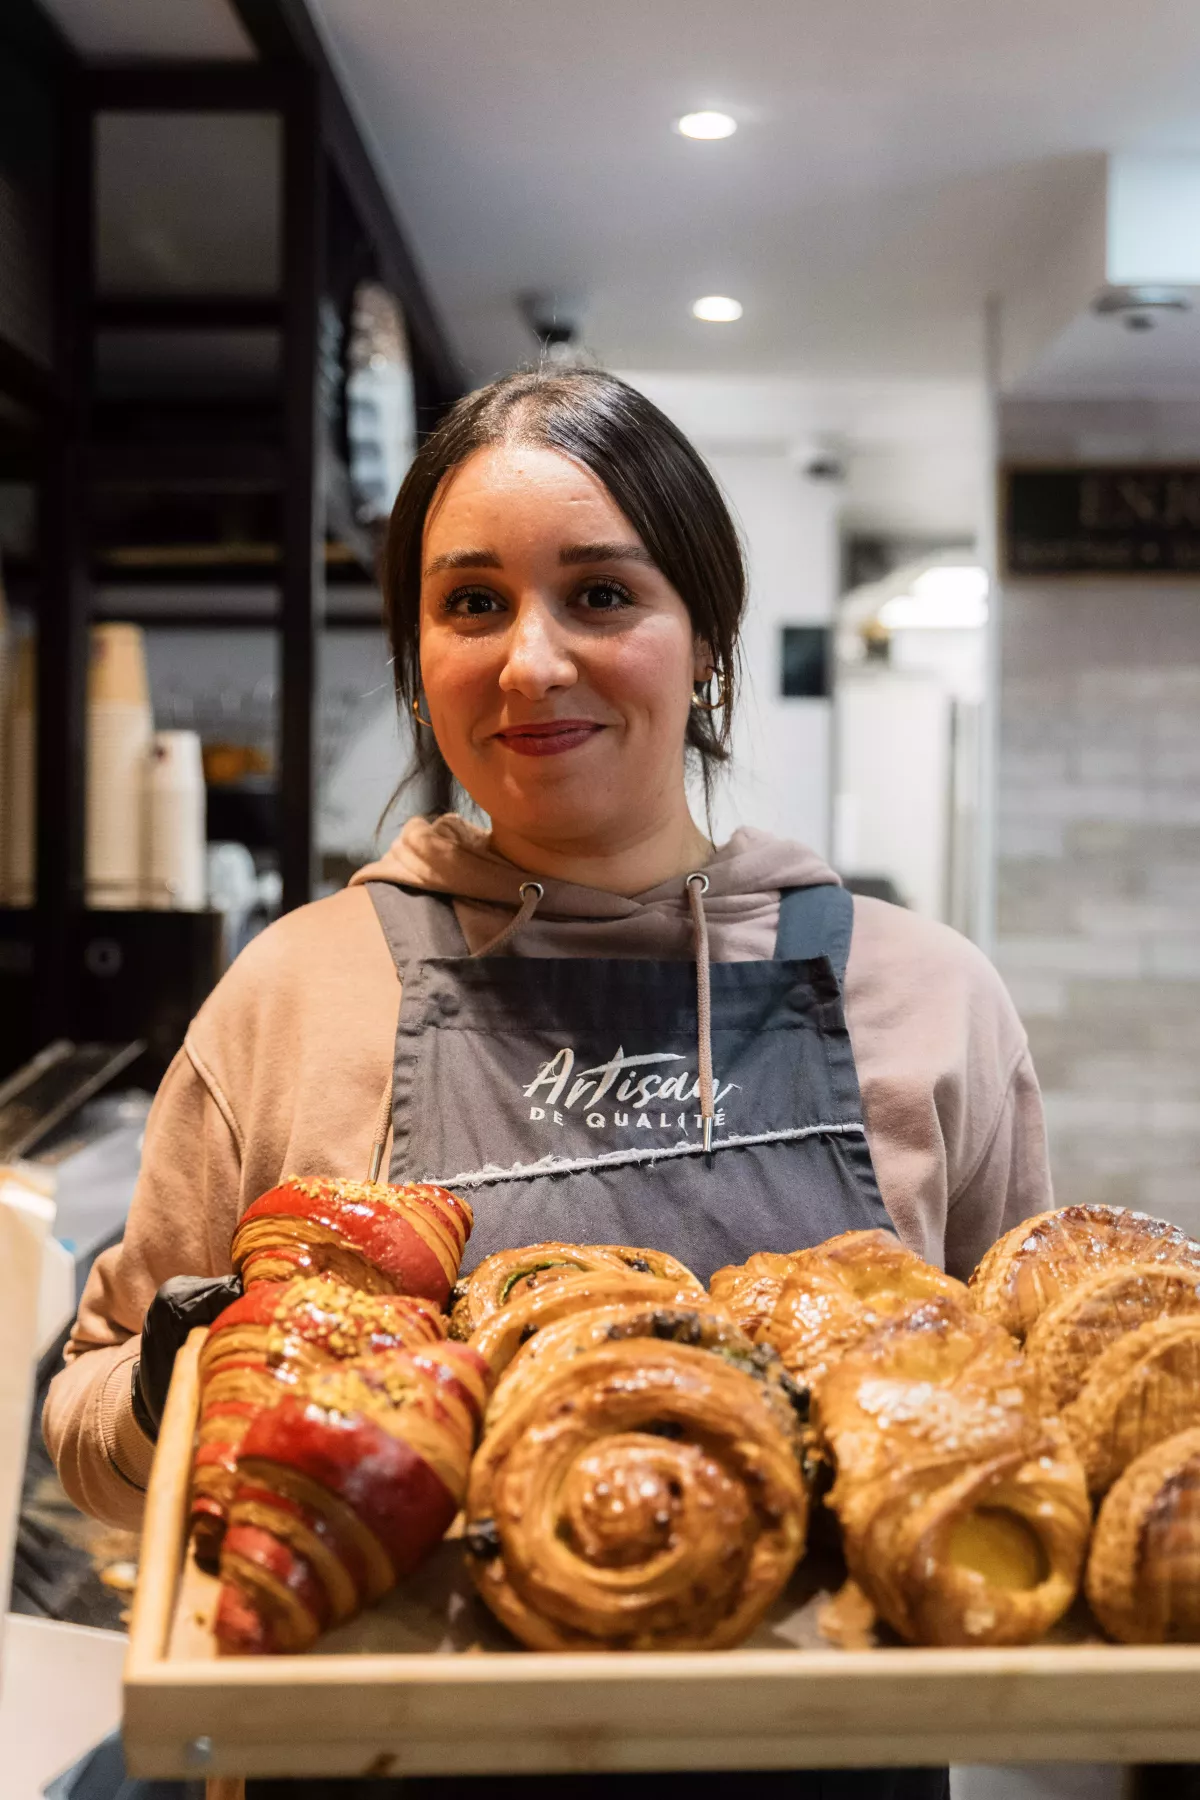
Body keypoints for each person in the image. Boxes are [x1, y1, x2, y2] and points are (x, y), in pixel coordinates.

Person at [45, 369, 1051, 1800]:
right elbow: (92, 1422)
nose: (529, 663)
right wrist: (175, 1390)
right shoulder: (294, 993)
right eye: (471, 604)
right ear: (416, 656)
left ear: (704, 642)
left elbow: (1017, 1411)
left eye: (599, 596)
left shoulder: (927, 1000)